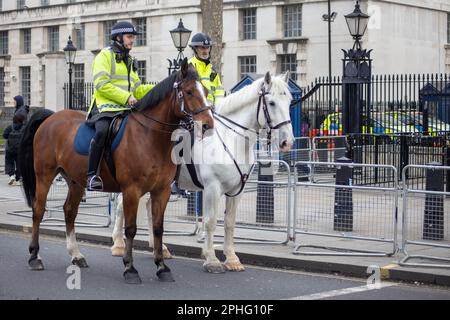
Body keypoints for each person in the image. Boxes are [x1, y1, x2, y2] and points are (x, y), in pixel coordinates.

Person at [86, 21, 155, 191]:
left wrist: (159, 88)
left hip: (125, 108)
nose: (133, 40)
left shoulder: (129, 60)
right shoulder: (104, 55)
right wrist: (127, 97)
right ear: (118, 37)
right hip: (105, 107)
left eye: (133, 37)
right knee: (102, 132)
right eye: (130, 37)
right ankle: (92, 175)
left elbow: (137, 89)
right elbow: (101, 84)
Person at [188, 32, 224, 106]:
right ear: (195, 49)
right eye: (202, 48)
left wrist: (219, 105)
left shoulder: (212, 70)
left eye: (208, 48)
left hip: (212, 110)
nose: (206, 51)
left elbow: (219, 90)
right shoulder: (189, 66)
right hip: (196, 110)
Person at [3, 112, 26, 186]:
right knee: (19, 164)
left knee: (9, 162)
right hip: (20, 150)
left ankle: (11, 176)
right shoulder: (24, 128)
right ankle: (18, 178)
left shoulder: (10, 127)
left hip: (10, 149)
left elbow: (4, 135)